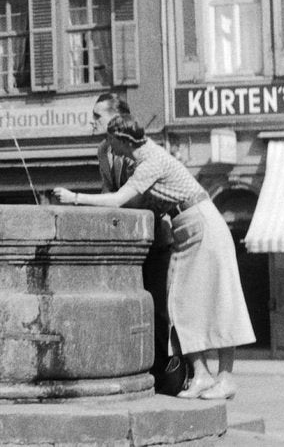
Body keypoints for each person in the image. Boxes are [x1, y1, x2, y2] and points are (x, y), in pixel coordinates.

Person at [54, 115, 255, 400]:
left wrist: (74, 198)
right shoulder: (143, 160)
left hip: (202, 224)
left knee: (220, 299)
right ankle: (201, 375)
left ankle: (225, 378)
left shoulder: (151, 162)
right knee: (180, 304)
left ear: (122, 141)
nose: (107, 145)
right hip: (187, 227)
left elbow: (118, 199)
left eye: (110, 140)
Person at [90, 93, 178, 395]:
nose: (92, 122)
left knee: (157, 308)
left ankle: (162, 372)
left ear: (117, 117)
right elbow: (107, 188)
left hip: (155, 240)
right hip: (125, 241)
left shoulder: (137, 148)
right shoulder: (103, 150)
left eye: (98, 116)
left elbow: (137, 197)